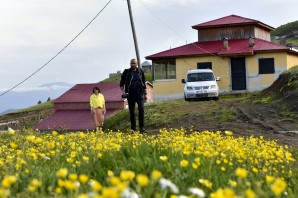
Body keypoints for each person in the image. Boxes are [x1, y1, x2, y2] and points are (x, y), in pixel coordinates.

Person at [120, 58, 146, 133]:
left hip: (139, 94)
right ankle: (133, 128)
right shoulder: (126, 72)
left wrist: (145, 93)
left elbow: (144, 82)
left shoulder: (140, 71)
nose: (132, 65)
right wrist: (123, 92)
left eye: (134, 63)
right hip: (130, 95)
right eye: (131, 63)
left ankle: (142, 127)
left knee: (141, 109)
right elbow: (121, 84)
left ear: (137, 64)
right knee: (132, 112)